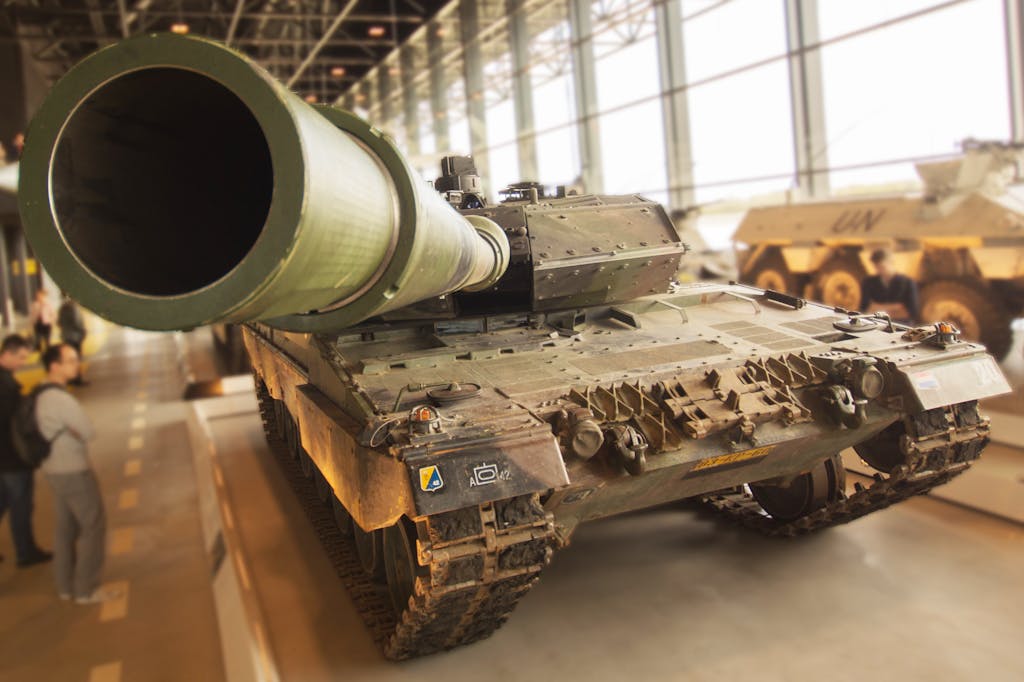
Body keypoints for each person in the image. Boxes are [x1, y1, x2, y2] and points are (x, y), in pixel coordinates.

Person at [37, 344, 112, 603]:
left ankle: (65, 585)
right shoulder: (60, 399)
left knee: (65, 527)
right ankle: (86, 588)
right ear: (54, 366)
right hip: (73, 470)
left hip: (53, 469)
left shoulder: (41, 394)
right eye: (70, 361)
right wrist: (77, 432)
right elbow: (88, 431)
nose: (76, 364)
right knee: (93, 525)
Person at [0, 334, 52, 567]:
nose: (23, 363)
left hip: (4, 459)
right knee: (21, 506)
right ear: (7, 354)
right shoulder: (6, 386)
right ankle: (25, 552)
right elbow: (14, 424)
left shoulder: (6, 380)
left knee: (3, 503)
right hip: (12, 459)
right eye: (20, 358)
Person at [859, 248, 920, 325]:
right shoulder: (868, 282)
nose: (879, 270)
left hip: (902, 326)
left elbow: (912, 312)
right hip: (877, 325)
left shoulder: (908, 283)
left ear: (891, 263)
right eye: (876, 267)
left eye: (882, 266)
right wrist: (896, 307)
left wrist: (877, 308)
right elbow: (864, 309)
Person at [57, 295, 88, 385]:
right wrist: (83, 332)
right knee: (76, 359)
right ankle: (77, 379)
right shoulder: (74, 308)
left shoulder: (62, 308)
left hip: (66, 336)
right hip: (75, 337)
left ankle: (70, 378)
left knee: (68, 359)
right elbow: (77, 322)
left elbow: (59, 322)